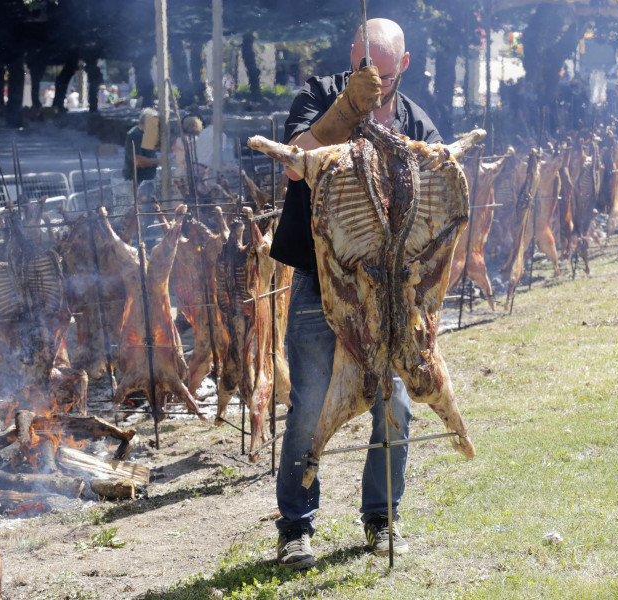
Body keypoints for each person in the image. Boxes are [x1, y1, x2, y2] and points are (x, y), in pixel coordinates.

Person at [270, 18, 442, 570]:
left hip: (389, 292)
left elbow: (438, 190)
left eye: (387, 75)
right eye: (368, 69)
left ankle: (381, 518)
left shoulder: (417, 121)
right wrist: (348, 108)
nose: (378, 83)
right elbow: (298, 160)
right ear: (352, 56)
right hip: (322, 284)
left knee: (393, 403)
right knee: (310, 407)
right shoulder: (319, 95)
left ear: (405, 66)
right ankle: (295, 527)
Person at [122, 107, 161, 185]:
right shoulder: (135, 135)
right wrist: (159, 161)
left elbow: (149, 155)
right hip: (137, 180)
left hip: (147, 179)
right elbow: (138, 161)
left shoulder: (147, 134)